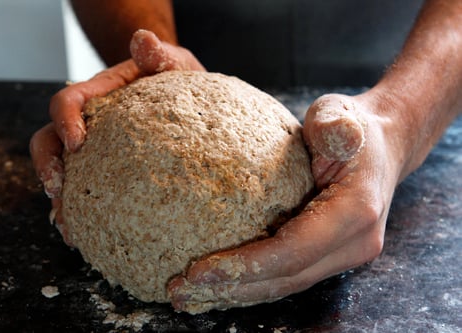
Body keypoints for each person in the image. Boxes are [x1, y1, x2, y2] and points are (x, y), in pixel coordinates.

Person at [29, 0, 462, 311]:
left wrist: (398, 120)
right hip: (200, 45)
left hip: (416, 63)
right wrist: (150, 68)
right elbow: (145, 49)